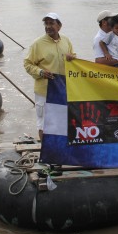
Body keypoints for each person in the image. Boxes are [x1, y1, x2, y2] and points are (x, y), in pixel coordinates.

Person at [24, 12, 76, 140]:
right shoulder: (37, 44)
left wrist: (72, 58)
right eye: (46, 24)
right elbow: (27, 64)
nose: (48, 27)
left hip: (62, 89)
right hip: (44, 90)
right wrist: (41, 72)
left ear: (59, 26)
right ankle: (44, 150)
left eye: (51, 23)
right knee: (43, 123)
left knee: (62, 120)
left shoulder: (66, 40)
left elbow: (74, 58)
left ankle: (59, 149)